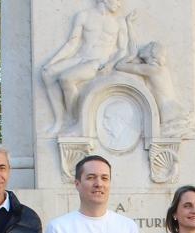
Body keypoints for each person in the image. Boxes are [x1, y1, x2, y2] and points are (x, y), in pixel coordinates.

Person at [40, 0, 131, 134]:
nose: (119, 4)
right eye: (117, 0)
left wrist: (110, 64)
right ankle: (60, 120)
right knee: (47, 73)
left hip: (99, 62)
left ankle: (74, 120)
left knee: (66, 79)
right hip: (80, 57)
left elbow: (122, 50)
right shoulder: (84, 16)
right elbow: (72, 43)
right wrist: (52, 62)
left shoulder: (119, 22)